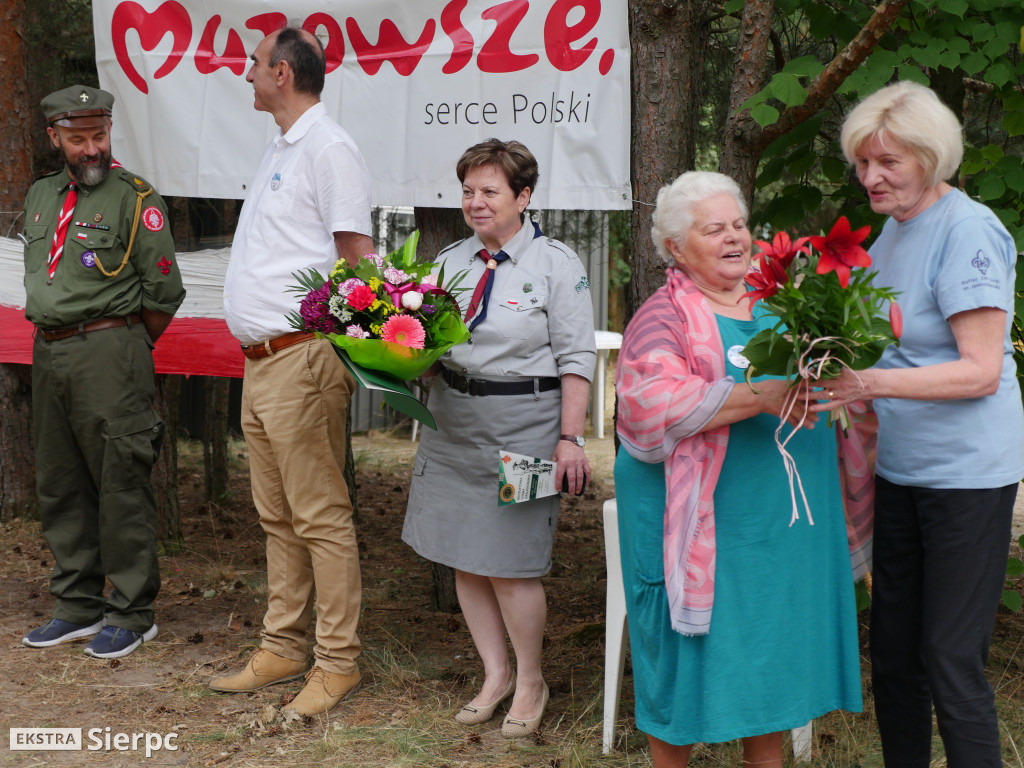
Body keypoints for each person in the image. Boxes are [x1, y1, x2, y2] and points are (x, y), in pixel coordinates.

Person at [614, 171, 863, 767]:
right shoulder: (661, 317)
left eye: (739, 225)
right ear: (676, 247)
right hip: (701, 520)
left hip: (780, 521)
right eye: (713, 229)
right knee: (682, 658)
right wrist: (763, 393)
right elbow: (651, 405)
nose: (734, 238)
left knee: (771, 650)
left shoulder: (785, 301)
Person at [816, 81, 1024, 767]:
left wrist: (866, 382)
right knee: (896, 650)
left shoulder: (968, 231)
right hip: (899, 469)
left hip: (966, 475)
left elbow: (980, 371)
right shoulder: (891, 232)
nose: (871, 177)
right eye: (862, 163)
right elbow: (881, 344)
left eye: (888, 162)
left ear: (930, 159)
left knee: (948, 656)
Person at [402, 139, 596, 738]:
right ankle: (495, 674)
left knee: (511, 565)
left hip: (528, 431)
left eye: (490, 191)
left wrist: (570, 438)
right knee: (466, 555)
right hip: (455, 425)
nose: (475, 202)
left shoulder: (557, 265)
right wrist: (405, 359)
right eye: (468, 191)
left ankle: (531, 678)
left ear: (524, 197)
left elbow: (576, 359)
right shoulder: (450, 262)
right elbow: (431, 347)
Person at [210, 26, 374, 718]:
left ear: (281, 73)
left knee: (320, 517)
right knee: (277, 517)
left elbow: (358, 260)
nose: (244, 74)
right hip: (263, 362)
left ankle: (339, 663)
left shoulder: (330, 149)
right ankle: (283, 646)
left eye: (253, 65)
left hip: (301, 358)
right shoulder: (283, 146)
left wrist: (334, 350)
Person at [20, 85, 185, 659]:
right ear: (54, 138)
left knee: (120, 481)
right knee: (60, 482)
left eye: (99, 136)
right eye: (78, 138)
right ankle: (78, 604)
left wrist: (122, 341)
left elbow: (164, 291)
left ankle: (134, 612)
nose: (91, 149)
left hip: (111, 351)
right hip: (50, 352)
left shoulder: (135, 197)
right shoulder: (41, 195)